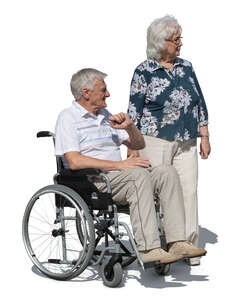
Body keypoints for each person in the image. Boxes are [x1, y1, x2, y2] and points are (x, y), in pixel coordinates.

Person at [55, 68, 206, 264]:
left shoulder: (104, 115)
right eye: (103, 90)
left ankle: (177, 241)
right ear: (86, 92)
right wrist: (119, 165)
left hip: (119, 176)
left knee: (167, 172)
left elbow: (138, 145)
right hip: (93, 180)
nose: (108, 94)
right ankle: (148, 248)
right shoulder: (68, 118)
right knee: (137, 176)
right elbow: (75, 161)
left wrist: (129, 126)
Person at [127, 15, 211, 265]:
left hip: (187, 139)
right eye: (176, 40)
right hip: (154, 140)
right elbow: (133, 112)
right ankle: (162, 245)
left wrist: (205, 134)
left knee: (189, 191)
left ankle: (187, 246)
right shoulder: (144, 71)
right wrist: (133, 146)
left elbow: (199, 101)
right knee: (159, 193)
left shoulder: (186, 66)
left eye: (180, 38)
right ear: (160, 42)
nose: (180, 44)